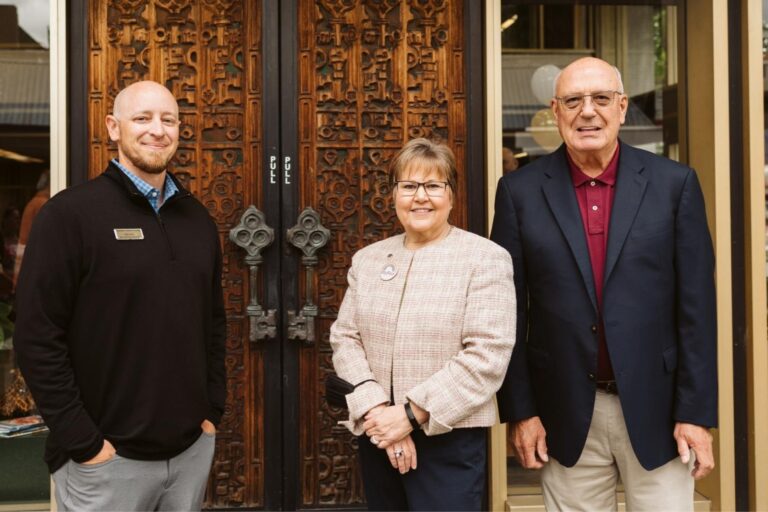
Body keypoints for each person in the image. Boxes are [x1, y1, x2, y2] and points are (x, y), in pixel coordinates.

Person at [491, 57, 717, 511]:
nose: (587, 112)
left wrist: (694, 414)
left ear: (622, 107)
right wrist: (522, 411)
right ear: (556, 111)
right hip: (565, 414)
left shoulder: (675, 185)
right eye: (573, 100)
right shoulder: (519, 192)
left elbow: (697, 310)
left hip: (660, 412)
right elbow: (507, 310)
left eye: (600, 99)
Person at [14, 80, 226, 512]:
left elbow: (214, 323)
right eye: (142, 118)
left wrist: (211, 414)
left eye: (168, 119)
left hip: (189, 453)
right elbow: (36, 338)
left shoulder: (197, 219)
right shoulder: (69, 215)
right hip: (107, 462)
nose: (157, 130)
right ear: (113, 127)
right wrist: (85, 444)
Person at [330, 138, 516, 511]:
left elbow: (487, 356)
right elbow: (345, 338)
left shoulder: (484, 259)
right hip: (378, 435)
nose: (421, 197)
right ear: (394, 194)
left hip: (449, 441)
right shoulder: (368, 260)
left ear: (451, 195)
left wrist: (410, 416)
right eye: (409, 186)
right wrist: (378, 412)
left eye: (433, 186)